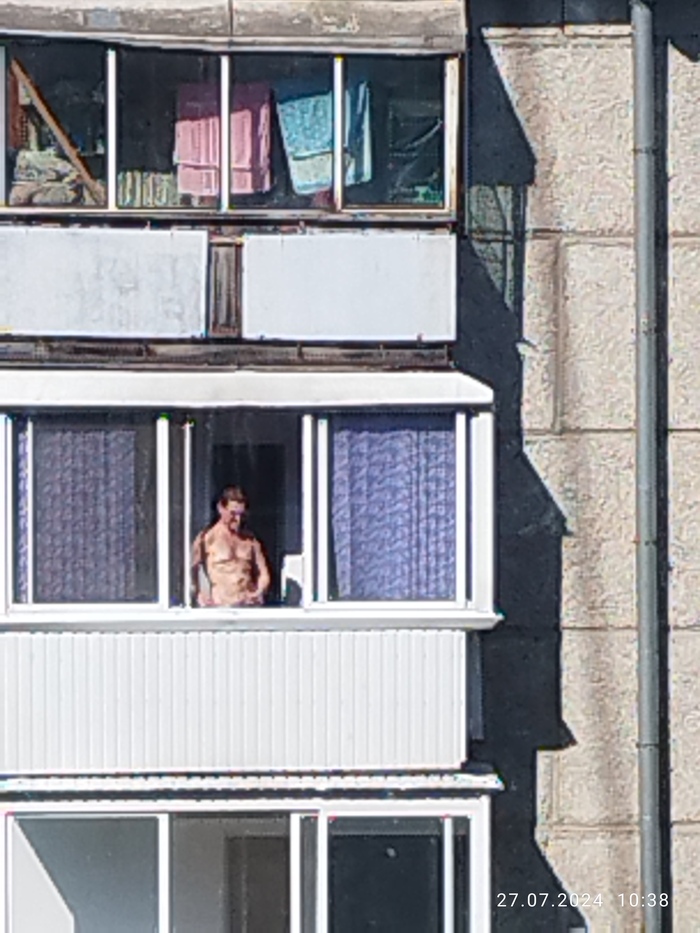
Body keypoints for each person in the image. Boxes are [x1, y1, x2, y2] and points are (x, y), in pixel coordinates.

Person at [191, 486, 271, 608]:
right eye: (232, 514)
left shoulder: (250, 540)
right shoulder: (207, 538)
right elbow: (191, 569)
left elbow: (264, 574)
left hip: (247, 604)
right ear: (221, 508)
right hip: (221, 606)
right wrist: (198, 594)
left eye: (241, 515)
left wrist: (259, 592)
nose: (237, 520)